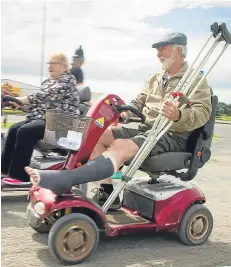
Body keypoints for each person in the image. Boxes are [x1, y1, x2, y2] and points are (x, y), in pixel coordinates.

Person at [25, 32, 212, 209]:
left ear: (179, 50)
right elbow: (138, 102)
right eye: (157, 49)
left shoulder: (195, 80)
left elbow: (202, 112)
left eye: (163, 48)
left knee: (121, 145)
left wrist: (179, 115)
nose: (158, 53)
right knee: (96, 134)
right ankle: (107, 191)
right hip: (147, 130)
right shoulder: (154, 78)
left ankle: (66, 178)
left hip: (171, 134)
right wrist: (124, 114)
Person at [1, 53, 81, 182]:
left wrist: (20, 99)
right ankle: (4, 170)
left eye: (53, 63)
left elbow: (44, 95)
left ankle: (19, 175)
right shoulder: (47, 82)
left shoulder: (68, 81)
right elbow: (37, 104)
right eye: (49, 64)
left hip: (63, 123)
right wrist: (17, 104)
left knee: (26, 131)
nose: (50, 66)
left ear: (64, 67)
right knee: (13, 129)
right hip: (45, 119)